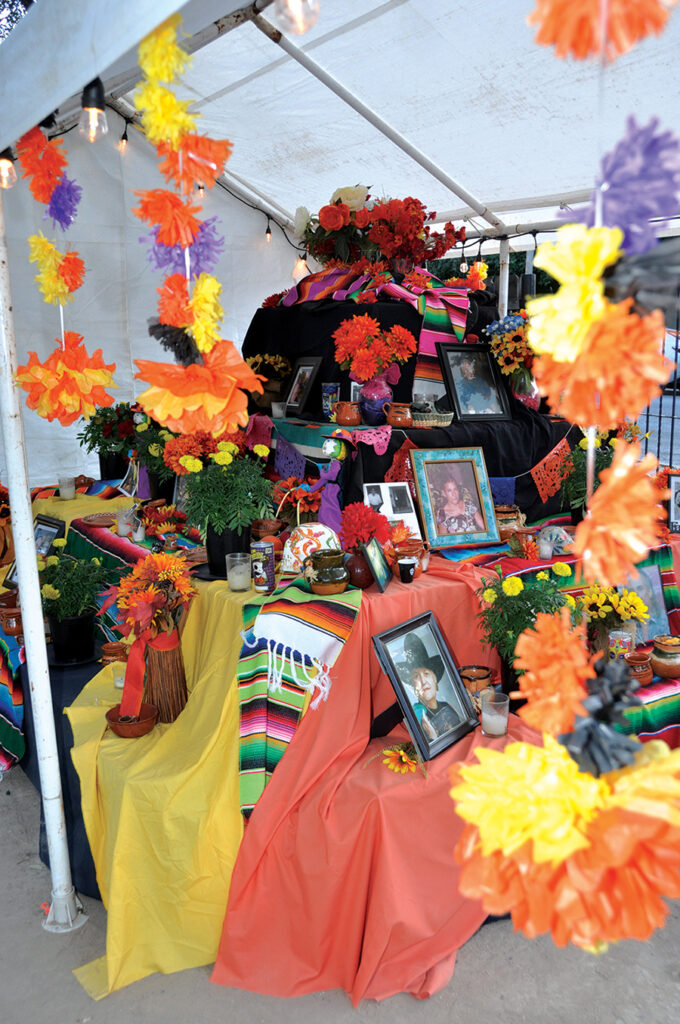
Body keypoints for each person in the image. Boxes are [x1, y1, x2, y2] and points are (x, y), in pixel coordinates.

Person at [399, 634, 460, 741]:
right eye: (416, 676)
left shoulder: (447, 707)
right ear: (413, 685)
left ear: (435, 679)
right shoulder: (416, 715)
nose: (423, 681)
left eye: (426, 673)